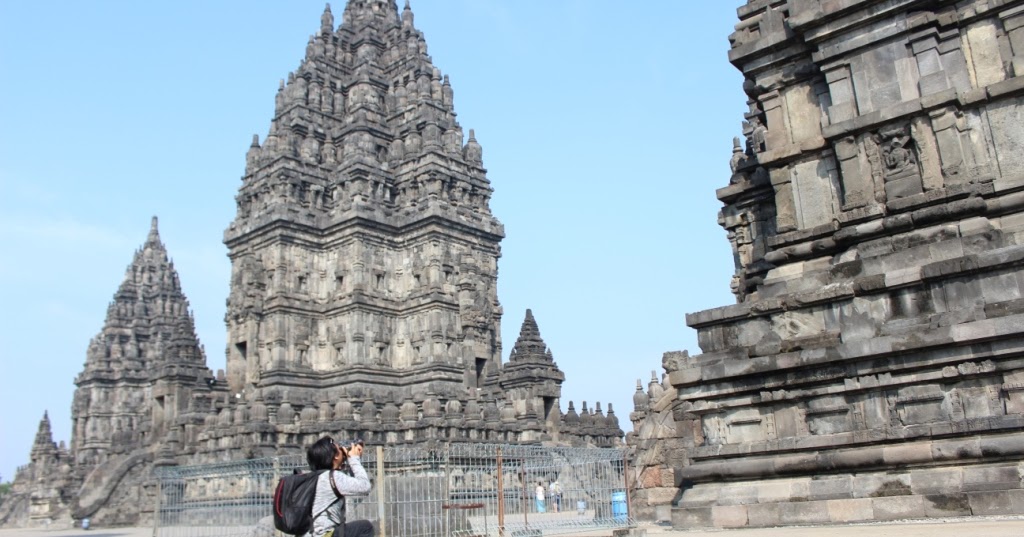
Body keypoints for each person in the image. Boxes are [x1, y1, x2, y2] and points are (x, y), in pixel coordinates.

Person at [307, 436, 373, 537]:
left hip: (309, 534)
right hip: (324, 534)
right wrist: (354, 459)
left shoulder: (314, 477)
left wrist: (348, 459)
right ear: (335, 456)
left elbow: (351, 481)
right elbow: (365, 486)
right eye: (339, 449)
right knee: (365, 527)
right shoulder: (333, 477)